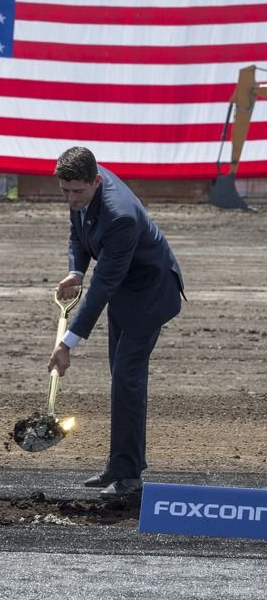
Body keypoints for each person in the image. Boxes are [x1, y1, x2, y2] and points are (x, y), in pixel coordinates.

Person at [48, 146, 184, 500]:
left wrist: (67, 344)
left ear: (96, 181)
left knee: (127, 378)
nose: (71, 198)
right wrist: (76, 270)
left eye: (78, 191)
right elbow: (78, 231)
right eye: (65, 191)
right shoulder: (83, 186)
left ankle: (128, 477)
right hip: (125, 290)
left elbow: (103, 285)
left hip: (150, 292)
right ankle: (120, 465)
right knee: (122, 378)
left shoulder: (119, 215)